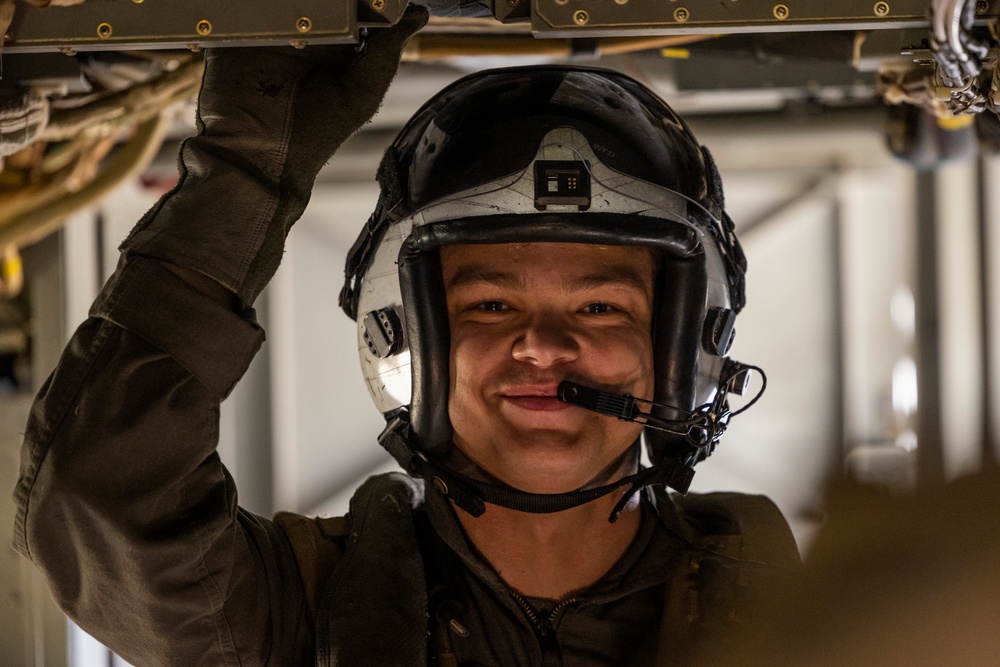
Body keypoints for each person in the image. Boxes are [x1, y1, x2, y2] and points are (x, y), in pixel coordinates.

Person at [12, 8, 800, 665]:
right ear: (407, 339)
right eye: (490, 306)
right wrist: (246, 178)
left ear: (683, 344)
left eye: (600, 309)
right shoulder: (294, 613)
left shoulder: (804, 620)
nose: (543, 347)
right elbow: (104, 495)